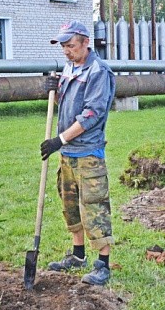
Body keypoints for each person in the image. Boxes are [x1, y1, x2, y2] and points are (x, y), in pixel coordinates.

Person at [40, 20, 116, 286]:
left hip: (88, 153)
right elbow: (69, 104)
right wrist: (53, 89)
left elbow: (92, 114)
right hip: (68, 152)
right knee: (70, 205)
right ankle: (78, 255)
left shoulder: (98, 71)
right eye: (63, 47)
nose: (66, 51)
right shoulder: (70, 67)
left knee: (94, 206)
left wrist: (58, 140)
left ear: (86, 42)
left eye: (70, 45)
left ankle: (102, 265)